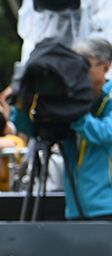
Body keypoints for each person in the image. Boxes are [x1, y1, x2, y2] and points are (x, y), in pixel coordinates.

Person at [12, 36, 112, 218]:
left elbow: (104, 134)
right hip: (74, 208)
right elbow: (31, 130)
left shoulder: (107, 99)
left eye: (84, 66)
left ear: (105, 67)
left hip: (107, 207)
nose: (76, 73)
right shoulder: (68, 102)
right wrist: (22, 103)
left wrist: (73, 111)